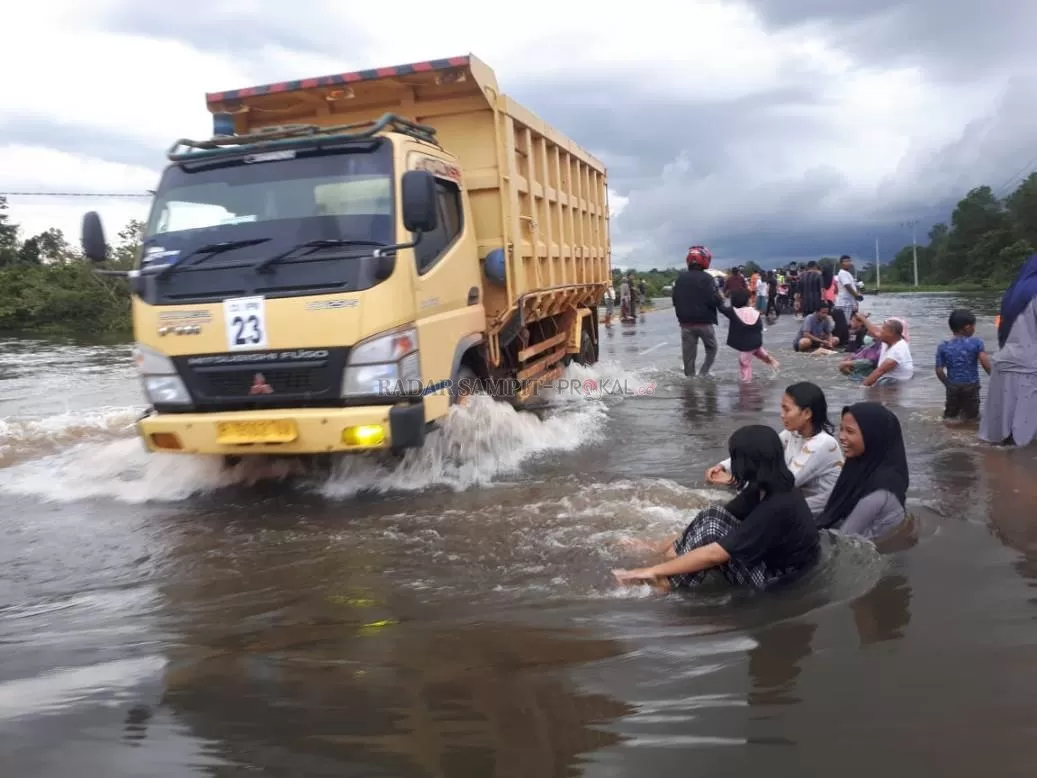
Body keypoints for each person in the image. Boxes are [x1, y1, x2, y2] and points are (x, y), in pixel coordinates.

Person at [613, 425, 821, 592]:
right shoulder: (766, 485)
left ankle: (665, 582)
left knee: (713, 533)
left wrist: (650, 570)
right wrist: (664, 547)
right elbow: (717, 518)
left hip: (777, 579)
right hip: (768, 560)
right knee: (713, 515)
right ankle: (666, 556)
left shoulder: (778, 504)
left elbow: (715, 553)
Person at [705, 381, 844, 517]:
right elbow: (762, 451)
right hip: (793, 504)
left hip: (817, 515)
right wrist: (722, 467)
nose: (782, 414)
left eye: (787, 409)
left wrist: (733, 481)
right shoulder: (793, 433)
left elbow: (785, 484)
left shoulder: (823, 444)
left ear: (807, 413)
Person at [817, 403, 910, 542]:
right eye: (841, 429)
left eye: (849, 431)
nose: (841, 436)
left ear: (872, 436)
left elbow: (844, 541)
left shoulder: (880, 491)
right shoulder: (861, 465)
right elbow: (833, 498)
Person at [980, 253, 1037, 446]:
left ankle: (997, 468)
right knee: (1023, 434)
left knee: (997, 429)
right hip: (1028, 367)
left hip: (1004, 362)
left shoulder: (1013, 293)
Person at [673, 245, 724, 377]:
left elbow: (675, 300)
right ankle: (703, 374)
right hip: (704, 324)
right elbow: (716, 301)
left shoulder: (680, 279)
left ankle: (690, 381)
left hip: (685, 325)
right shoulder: (707, 279)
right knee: (712, 349)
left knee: (688, 357)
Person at [935, 308, 992, 422]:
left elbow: (939, 370)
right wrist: (994, 376)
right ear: (967, 327)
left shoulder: (943, 345)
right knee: (972, 417)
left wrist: (948, 385)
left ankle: (949, 433)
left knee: (950, 416)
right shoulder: (976, 342)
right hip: (971, 386)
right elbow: (984, 361)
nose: (974, 328)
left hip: (953, 386)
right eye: (973, 325)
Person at [719, 288, 781, 381]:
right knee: (757, 351)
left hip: (746, 346)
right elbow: (759, 327)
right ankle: (773, 362)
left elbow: (721, 308)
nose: (751, 300)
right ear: (746, 300)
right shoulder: (755, 312)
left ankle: (747, 383)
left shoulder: (732, 311)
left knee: (744, 363)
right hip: (756, 342)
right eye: (750, 298)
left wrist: (718, 297)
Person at [861, 318, 913, 386]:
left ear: (891, 333)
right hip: (886, 376)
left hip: (896, 382)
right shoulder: (888, 340)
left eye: (883, 329)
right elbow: (874, 331)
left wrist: (862, 387)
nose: (880, 331)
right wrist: (862, 318)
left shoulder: (898, 350)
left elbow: (880, 371)